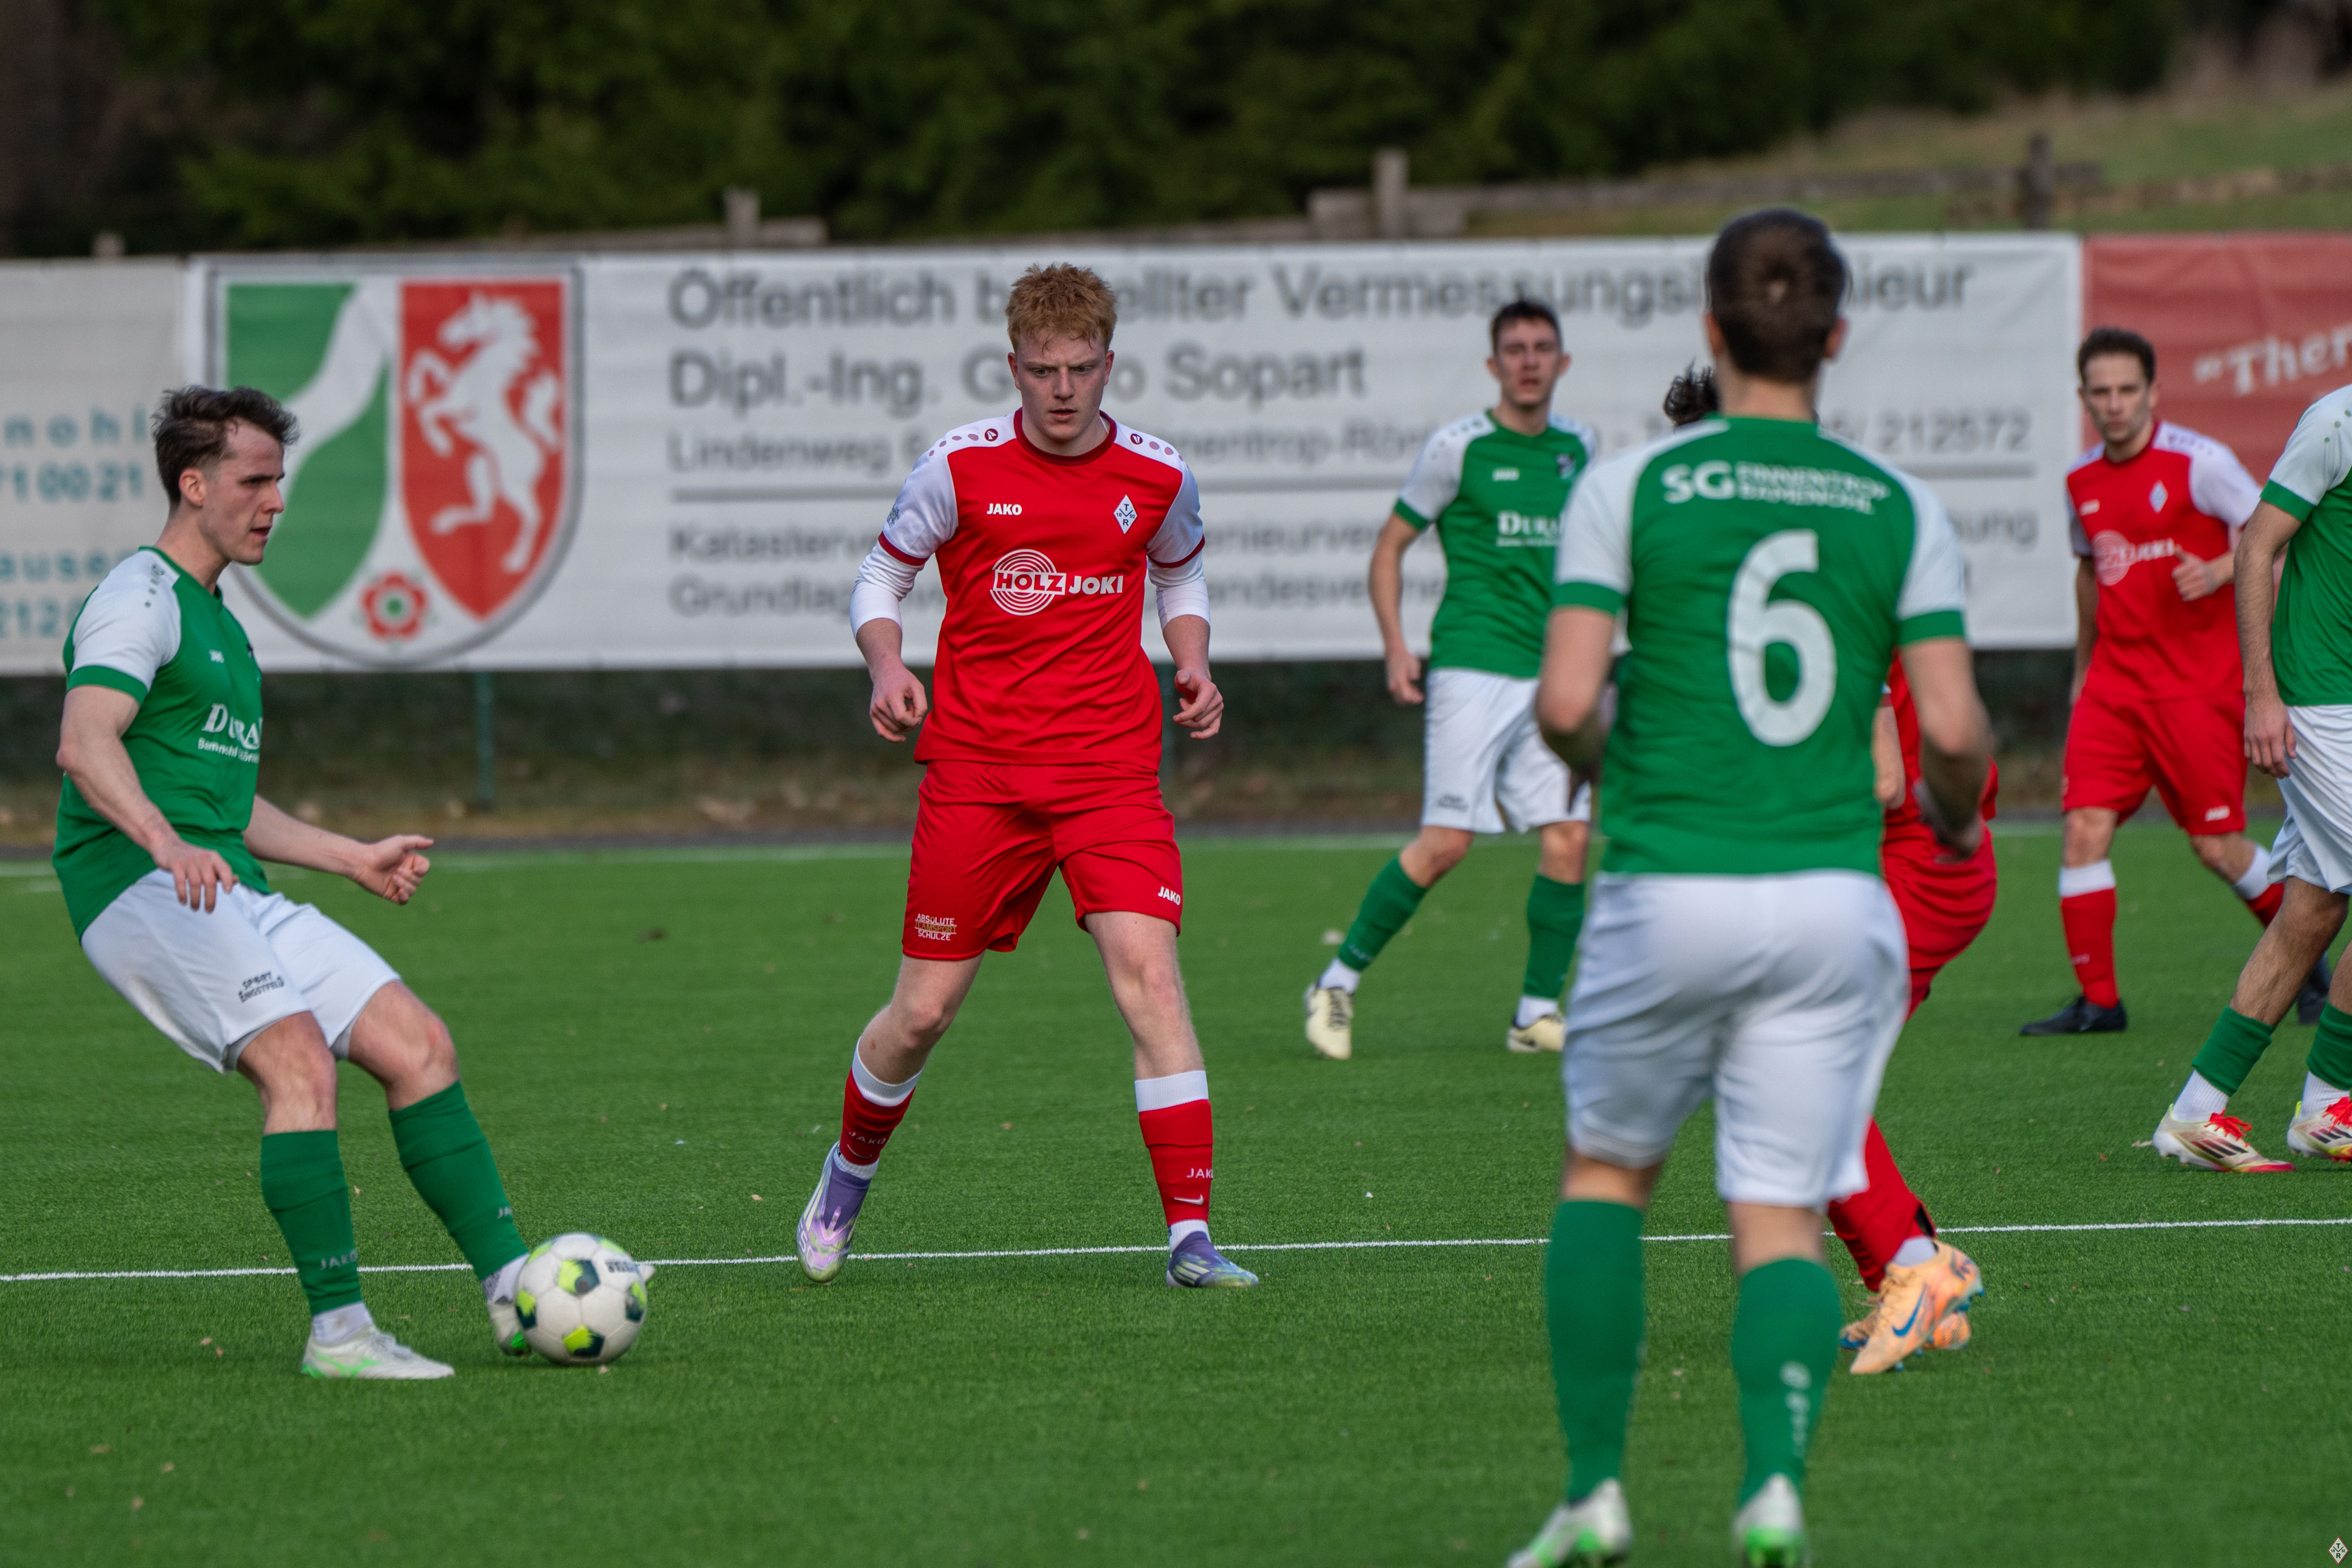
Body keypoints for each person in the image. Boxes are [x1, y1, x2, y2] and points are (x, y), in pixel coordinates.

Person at [1506, 212, 1992, 1568]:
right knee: (1777, 1205)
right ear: (1835, 338)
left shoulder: (1628, 487)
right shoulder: (1897, 505)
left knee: (1608, 1175)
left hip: (1672, 882)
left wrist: (1623, 760)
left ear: (1712, 332)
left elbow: (1563, 706)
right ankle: (1773, 1491)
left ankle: (1595, 1494)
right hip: (1834, 901)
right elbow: (1954, 738)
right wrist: (1956, 817)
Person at [53, 386, 534, 1379]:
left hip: (218, 880)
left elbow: (226, 804)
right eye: (255, 480)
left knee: (419, 1045)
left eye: (281, 480)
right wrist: (163, 843)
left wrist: (351, 856)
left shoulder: (219, 619)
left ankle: (518, 1292)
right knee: (300, 1066)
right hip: (136, 884)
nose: (276, 501)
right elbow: (84, 742)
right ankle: (341, 1335)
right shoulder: (140, 597)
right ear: (194, 485)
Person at [799, 264, 1255, 1289]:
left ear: (1109, 364)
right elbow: (880, 576)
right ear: (1013, 366)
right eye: (1044, 370)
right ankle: (848, 1170)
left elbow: (1180, 567)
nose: (1062, 389)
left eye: (1081, 369)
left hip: (1110, 773)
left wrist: (1191, 659)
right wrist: (886, 665)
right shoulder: (958, 467)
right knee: (922, 1013)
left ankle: (1190, 1236)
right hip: (978, 774)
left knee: (1151, 978)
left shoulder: (1158, 475)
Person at [1659, 367, 1990, 1375]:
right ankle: (1918, 1280)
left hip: (1911, 867)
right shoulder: (1797, 553)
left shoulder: (1810, 567)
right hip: (1900, 865)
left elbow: (1882, 775)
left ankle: (1915, 1270)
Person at [1302, 300, 1597, 1061]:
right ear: (1494, 365)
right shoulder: (1458, 448)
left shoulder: (1581, 449)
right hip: (1473, 667)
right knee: (1445, 844)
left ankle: (1535, 1012)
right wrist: (1396, 645)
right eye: (1515, 349)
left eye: (1542, 348)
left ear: (1563, 362)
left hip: (1553, 676)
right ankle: (1335, 981)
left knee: (1569, 839)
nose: (1529, 361)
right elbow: (1389, 548)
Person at [2021, 328, 2327, 1035]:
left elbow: (2275, 541)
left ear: (2153, 392)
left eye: (2128, 389)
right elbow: (2089, 573)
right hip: (2113, 689)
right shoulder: (2080, 480)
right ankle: (2100, 1002)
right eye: (2101, 392)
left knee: (2216, 846)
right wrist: (2082, 670)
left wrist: (2218, 571)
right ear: (2083, 398)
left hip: (2196, 688)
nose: (2115, 404)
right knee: (2083, 828)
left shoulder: (2202, 463)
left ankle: (2308, 963)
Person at [2154, 378, 2352, 1171]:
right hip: (2317, 700)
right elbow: (2255, 548)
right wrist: (2261, 696)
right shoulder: (2336, 422)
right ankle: (2328, 1099)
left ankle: (2202, 1111)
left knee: (2312, 909)